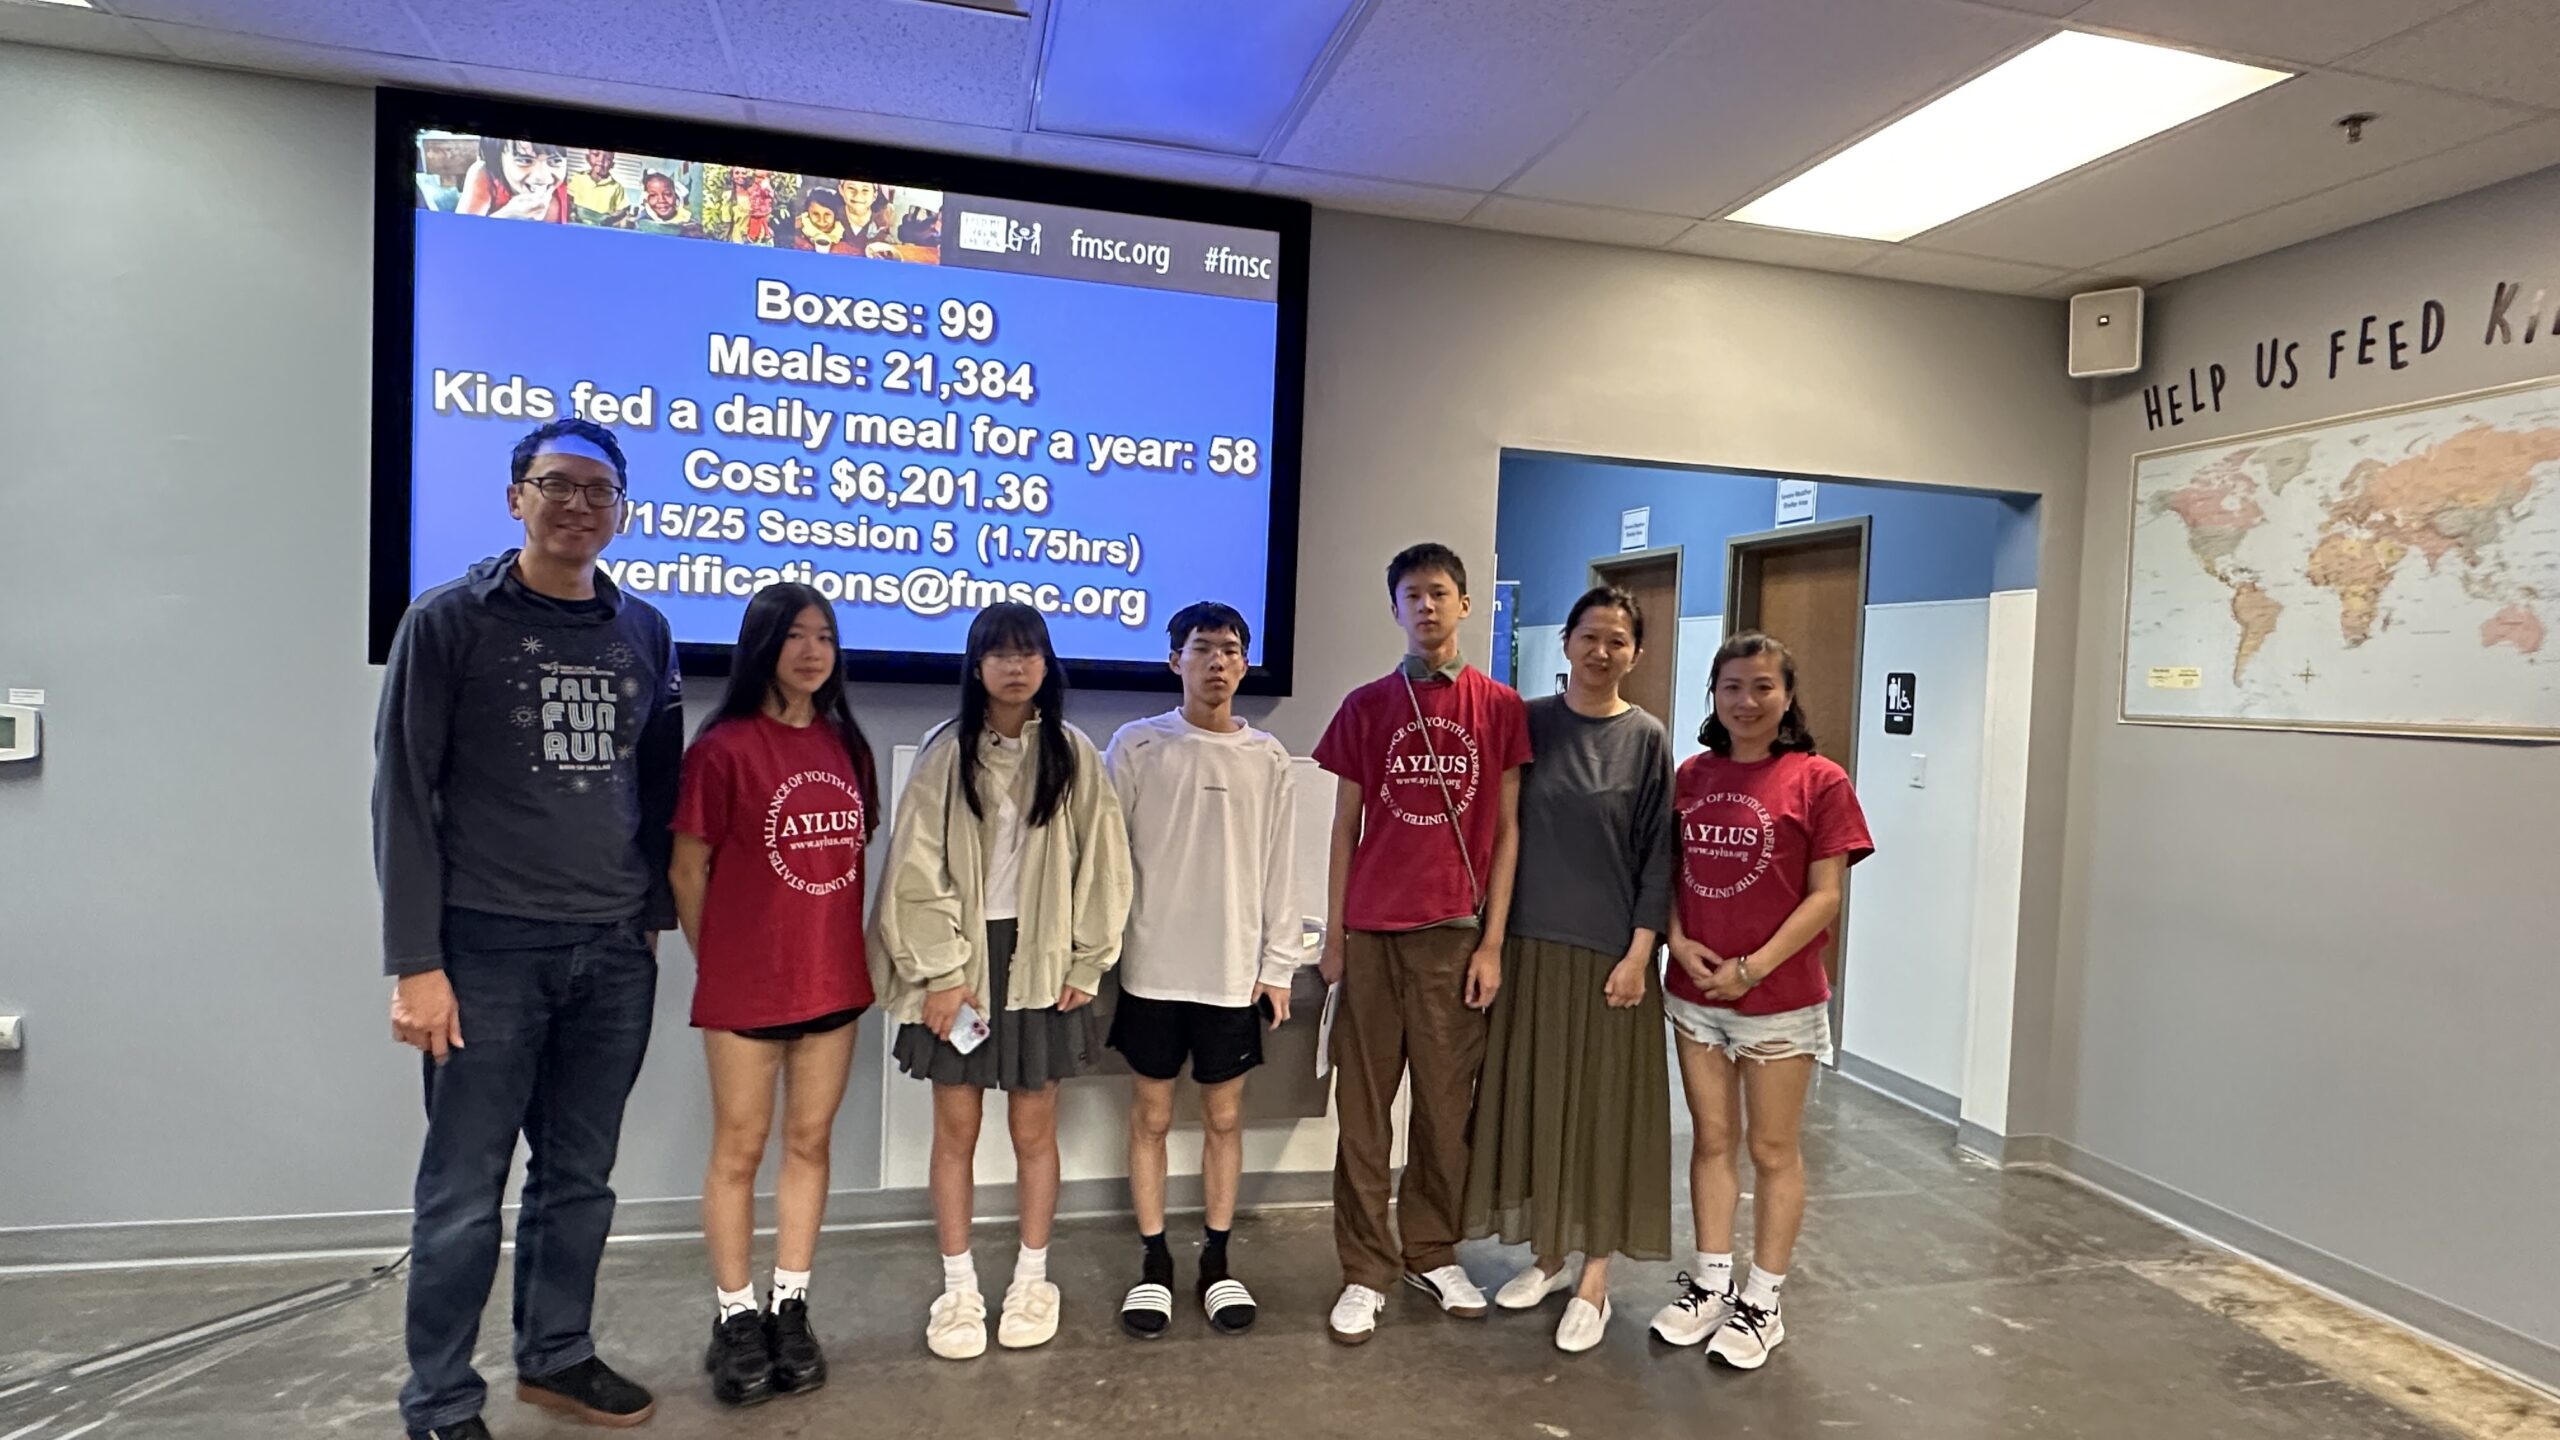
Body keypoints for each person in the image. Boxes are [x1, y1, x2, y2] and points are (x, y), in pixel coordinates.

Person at [376, 419, 681, 1439]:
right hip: (485, 951)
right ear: (517, 499)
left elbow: (655, 788)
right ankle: (440, 1399)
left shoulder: (644, 630)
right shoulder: (448, 622)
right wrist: (416, 963)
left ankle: (556, 1357)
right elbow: (402, 796)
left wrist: (647, 921)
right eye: (557, 485)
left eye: (599, 491)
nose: (578, 507)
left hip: (611, 951)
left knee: (579, 1180)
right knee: (464, 1191)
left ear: (621, 511)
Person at [877, 603, 1132, 1361]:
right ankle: (958, 1289)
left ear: (1048, 664)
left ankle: (1031, 1279)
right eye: (1000, 654)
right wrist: (941, 974)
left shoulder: (1074, 754)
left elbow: (1105, 865)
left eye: (1028, 653)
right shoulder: (945, 751)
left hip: (1042, 963)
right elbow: (914, 868)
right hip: (960, 966)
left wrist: (1087, 961)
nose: (1015, 667)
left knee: (1033, 1132)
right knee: (955, 1131)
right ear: (977, 665)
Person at [1314, 542, 1531, 1345]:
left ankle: (1431, 1251)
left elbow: (1509, 831)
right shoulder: (1367, 706)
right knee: (1363, 1113)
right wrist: (1335, 935)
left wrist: (1493, 942)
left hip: (1455, 939)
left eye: (1440, 593)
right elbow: (1344, 827)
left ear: (1465, 604)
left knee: (1446, 1110)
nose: (1427, 607)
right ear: (1395, 609)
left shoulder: (1498, 707)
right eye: (1412, 595)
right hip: (1373, 936)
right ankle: (1364, 1268)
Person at [671, 583, 880, 1407]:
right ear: (762, 645)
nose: (812, 650)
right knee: (738, 1149)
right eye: (795, 635)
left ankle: (790, 1305)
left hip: (832, 979)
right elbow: (687, 870)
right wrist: (721, 960)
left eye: (824, 635)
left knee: (809, 1143)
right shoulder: (721, 749)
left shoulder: (846, 744)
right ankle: (735, 1315)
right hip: (745, 988)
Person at [1649, 631, 1873, 1371]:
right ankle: (1712, 1285)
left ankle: (1763, 1302)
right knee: (1711, 1142)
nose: (1747, 701)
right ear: (1714, 695)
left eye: (1763, 687)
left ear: (1787, 696)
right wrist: (1678, 941)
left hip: (1778, 1000)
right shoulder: (1691, 775)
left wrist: (1752, 968)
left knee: (1772, 1150)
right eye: (1733, 687)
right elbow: (1668, 873)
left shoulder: (1820, 780)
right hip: (1695, 994)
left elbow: (1826, 896)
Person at [1464, 586, 1675, 1353]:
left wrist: (1640, 953)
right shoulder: (1527, 722)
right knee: (1540, 1107)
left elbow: (1660, 856)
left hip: (1609, 960)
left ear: (1635, 653)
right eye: (1590, 636)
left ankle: (1594, 1278)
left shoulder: (1646, 738)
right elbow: (1496, 831)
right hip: (1527, 948)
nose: (1602, 651)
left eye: (1618, 640)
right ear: (1566, 641)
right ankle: (1550, 1257)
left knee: (1601, 1116)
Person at [1103, 602, 1299, 1340]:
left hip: (1231, 973)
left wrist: (1278, 966)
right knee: (1150, 1117)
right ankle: (1154, 1262)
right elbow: (1107, 861)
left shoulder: (1268, 757)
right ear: (1174, 660)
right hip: (1152, 969)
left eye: (1230, 649)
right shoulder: (1137, 745)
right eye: (1202, 647)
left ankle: (1216, 1260)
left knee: (1224, 1118)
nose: (1217, 661)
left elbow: (1281, 869)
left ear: (1245, 664)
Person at [457, 136, 569, 223]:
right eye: (525, 161)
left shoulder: (567, 185)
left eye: (555, 161)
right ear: (498, 160)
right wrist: (507, 216)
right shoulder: (486, 176)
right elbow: (462, 235)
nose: (543, 177)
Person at [567, 148, 628, 226]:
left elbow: (622, 211)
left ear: (612, 165)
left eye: (607, 158)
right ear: (587, 158)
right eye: (596, 154)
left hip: (601, 227)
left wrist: (609, 220)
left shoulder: (617, 187)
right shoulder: (577, 178)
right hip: (577, 225)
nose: (601, 160)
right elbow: (568, 200)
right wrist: (572, 213)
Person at [633, 170, 698, 237]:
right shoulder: (640, 226)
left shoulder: (690, 223)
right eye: (653, 195)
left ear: (676, 197)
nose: (661, 200)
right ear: (646, 200)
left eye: (667, 194)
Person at [792, 188, 853, 254]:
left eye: (827, 214)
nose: (821, 221)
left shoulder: (845, 232)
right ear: (808, 213)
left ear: (836, 215)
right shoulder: (799, 228)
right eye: (815, 214)